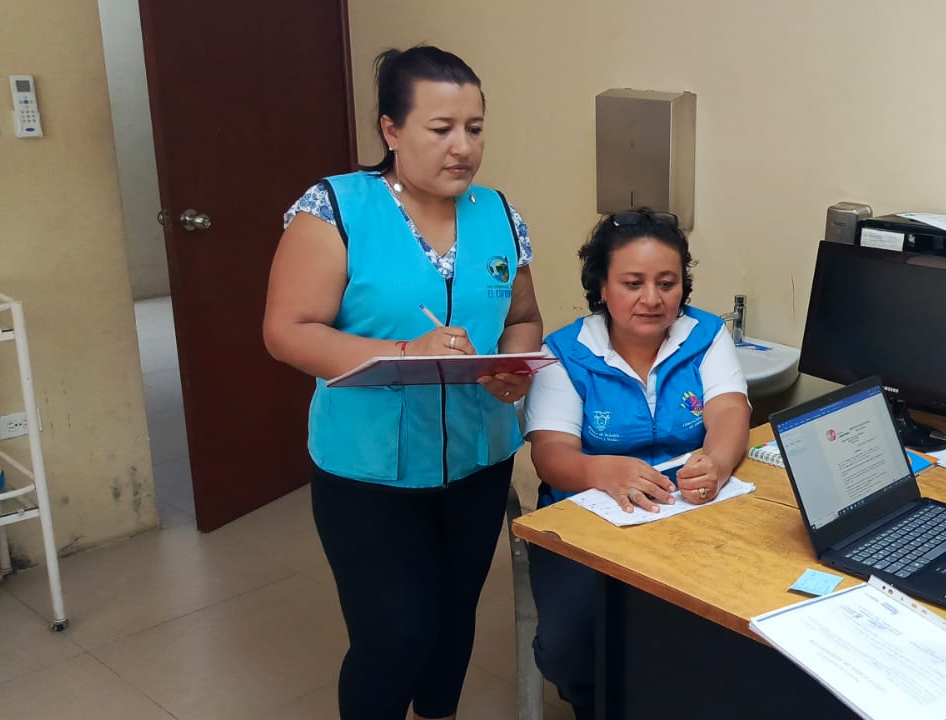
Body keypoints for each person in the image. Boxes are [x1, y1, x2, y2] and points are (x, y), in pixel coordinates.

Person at [261, 45, 542, 720]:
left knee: (452, 623)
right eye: (440, 128)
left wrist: (513, 367)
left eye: (474, 128)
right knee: (393, 637)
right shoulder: (334, 209)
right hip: (368, 473)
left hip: (477, 460)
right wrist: (404, 351)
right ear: (391, 129)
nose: (462, 147)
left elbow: (523, 318)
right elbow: (287, 330)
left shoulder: (499, 214)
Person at [522, 209, 751, 719]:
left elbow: (729, 411)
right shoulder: (565, 353)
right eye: (633, 283)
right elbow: (551, 454)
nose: (652, 298)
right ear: (602, 287)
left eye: (667, 283)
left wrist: (716, 462)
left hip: (688, 513)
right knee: (571, 650)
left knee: (722, 626)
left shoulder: (705, 335)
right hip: (589, 522)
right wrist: (602, 471)